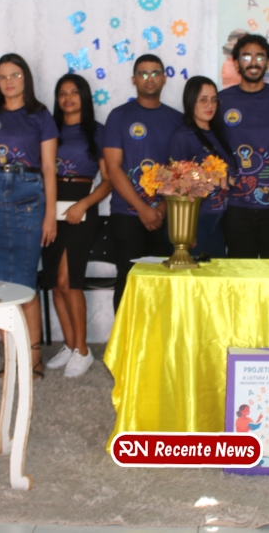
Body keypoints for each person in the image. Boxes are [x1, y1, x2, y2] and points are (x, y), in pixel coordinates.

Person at [0, 53, 57, 378]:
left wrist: (50, 214)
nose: (9, 82)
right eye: (3, 76)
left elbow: (48, 167)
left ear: (26, 78)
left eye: (15, 75)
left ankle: (33, 360)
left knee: (25, 284)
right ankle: (10, 358)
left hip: (29, 201)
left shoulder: (40, 115)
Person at [42, 74, 112, 378]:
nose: (68, 98)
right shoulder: (49, 128)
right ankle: (70, 345)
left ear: (84, 96)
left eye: (74, 92)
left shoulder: (97, 131)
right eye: (62, 93)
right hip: (50, 206)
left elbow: (108, 180)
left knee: (69, 280)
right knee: (55, 282)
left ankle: (83, 350)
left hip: (80, 208)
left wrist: (84, 204)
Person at [103, 54, 183, 311]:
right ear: (134, 79)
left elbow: (181, 171)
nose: (150, 78)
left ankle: (157, 337)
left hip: (166, 215)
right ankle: (124, 338)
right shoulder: (119, 116)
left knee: (161, 284)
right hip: (127, 215)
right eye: (143, 73)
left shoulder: (177, 120)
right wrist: (142, 208)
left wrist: (162, 207)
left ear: (164, 78)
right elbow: (113, 169)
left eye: (155, 72)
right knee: (128, 281)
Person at [219, 34, 269, 258]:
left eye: (260, 57)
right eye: (246, 57)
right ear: (236, 62)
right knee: (240, 271)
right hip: (235, 206)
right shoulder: (221, 101)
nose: (253, 62)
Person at [167, 76, 235, 258]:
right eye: (203, 100)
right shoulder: (183, 137)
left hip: (218, 220)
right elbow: (175, 186)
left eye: (214, 100)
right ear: (191, 101)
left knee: (216, 273)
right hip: (197, 221)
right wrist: (185, 229)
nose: (210, 105)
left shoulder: (217, 133)